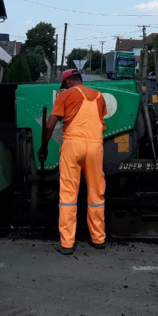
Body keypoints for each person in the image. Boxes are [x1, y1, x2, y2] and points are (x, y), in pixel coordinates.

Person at [41, 69, 108, 255]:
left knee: (69, 194)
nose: (65, 87)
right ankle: (98, 239)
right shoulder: (99, 96)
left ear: (69, 81)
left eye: (65, 84)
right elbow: (100, 123)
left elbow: (49, 125)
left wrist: (44, 146)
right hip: (95, 147)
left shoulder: (65, 95)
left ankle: (67, 243)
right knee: (96, 193)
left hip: (73, 145)